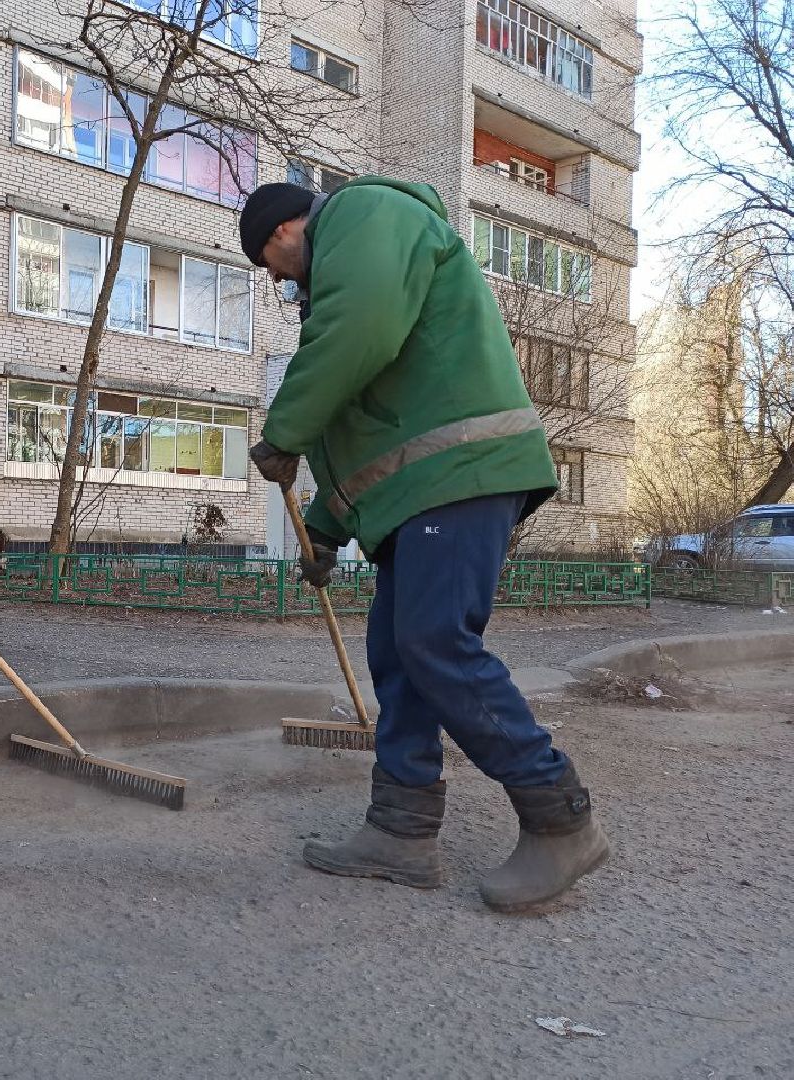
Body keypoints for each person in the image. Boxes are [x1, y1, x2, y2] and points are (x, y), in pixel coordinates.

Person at [239, 179, 609, 912]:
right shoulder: (352, 268)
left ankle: (560, 818)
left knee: (435, 640)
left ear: (282, 232)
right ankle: (400, 830)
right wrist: (324, 527)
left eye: (273, 269)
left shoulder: (366, 214)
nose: (283, 283)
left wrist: (284, 431)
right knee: (400, 652)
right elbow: (369, 431)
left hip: (462, 476)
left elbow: (361, 333)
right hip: (422, 488)